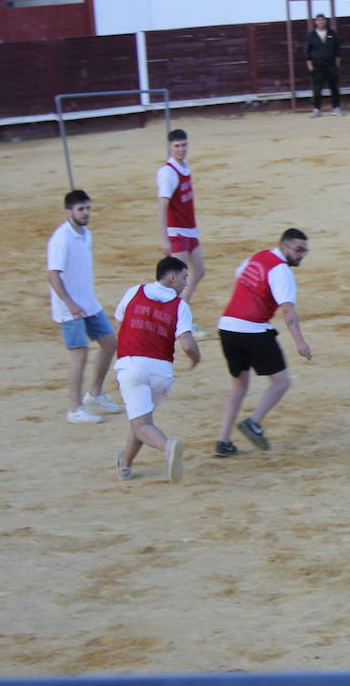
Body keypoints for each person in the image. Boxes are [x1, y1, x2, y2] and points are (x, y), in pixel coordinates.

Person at [215, 229, 313, 456]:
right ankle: (254, 421)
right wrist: (300, 342)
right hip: (253, 330)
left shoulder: (258, 257)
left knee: (239, 385)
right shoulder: (282, 271)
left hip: (227, 327)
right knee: (281, 382)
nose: (301, 255)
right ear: (284, 247)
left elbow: (239, 274)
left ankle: (223, 441)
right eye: (298, 250)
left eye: (304, 252)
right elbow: (287, 310)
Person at [112, 256, 200, 483]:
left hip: (132, 367)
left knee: (141, 424)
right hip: (162, 373)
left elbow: (120, 326)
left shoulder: (134, 292)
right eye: (184, 277)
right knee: (142, 420)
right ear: (171, 278)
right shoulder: (181, 306)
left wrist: (121, 363)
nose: (186, 283)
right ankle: (125, 465)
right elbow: (188, 345)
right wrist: (195, 359)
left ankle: (167, 447)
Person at [48, 189, 120, 424]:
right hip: (69, 308)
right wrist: (70, 303)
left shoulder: (87, 234)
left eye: (88, 208)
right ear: (68, 212)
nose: (86, 213)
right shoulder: (61, 239)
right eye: (81, 209)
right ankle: (75, 409)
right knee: (79, 354)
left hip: (88, 303)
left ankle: (95, 395)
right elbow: (53, 275)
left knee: (109, 343)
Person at [155, 129, 206, 315]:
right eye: (177, 146)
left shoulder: (184, 166)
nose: (181, 149)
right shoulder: (168, 173)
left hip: (189, 230)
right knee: (174, 281)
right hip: (177, 232)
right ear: (170, 146)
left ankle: (180, 311)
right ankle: (168, 316)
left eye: (184, 145)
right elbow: (162, 206)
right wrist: (165, 238)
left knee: (198, 272)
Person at [304, 13, 343, 116]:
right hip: (317, 65)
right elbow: (308, 51)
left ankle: (336, 108)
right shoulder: (312, 35)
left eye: (322, 20)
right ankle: (317, 109)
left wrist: (337, 65)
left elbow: (337, 50)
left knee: (334, 87)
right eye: (319, 20)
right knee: (317, 88)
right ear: (315, 22)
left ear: (325, 21)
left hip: (331, 64)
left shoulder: (332, 33)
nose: (321, 22)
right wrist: (309, 64)